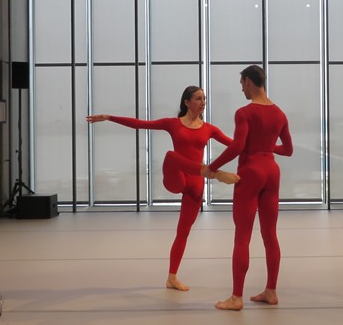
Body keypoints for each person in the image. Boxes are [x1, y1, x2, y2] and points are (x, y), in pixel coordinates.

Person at [86, 85, 239, 292]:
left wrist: (269, 148)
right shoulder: (172, 124)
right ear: (186, 102)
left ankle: (172, 278)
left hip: (196, 184)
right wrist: (109, 117)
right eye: (198, 98)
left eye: (204, 98)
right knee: (171, 156)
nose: (203, 102)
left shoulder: (209, 129)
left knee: (183, 232)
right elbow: (140, 124)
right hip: (176, 178)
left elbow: (235, 145)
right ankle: (212, 172)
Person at [203, 65, 293, 311]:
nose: (241, 87)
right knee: (270, 235)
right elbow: (287, 150)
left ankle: (236, 297)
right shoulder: (280, 113)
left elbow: (236, 147)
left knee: (242, 236)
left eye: (242, 83)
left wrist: (211, 167)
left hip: (251, 171)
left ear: (249, 82)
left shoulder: (244, 112)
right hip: (272, 172)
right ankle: (271, 291)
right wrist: (265, 147)